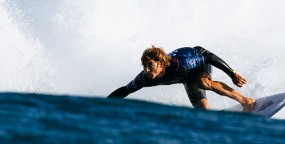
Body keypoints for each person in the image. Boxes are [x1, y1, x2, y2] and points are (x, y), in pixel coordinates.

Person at [108, 45, 255, 111]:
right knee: (203, 111)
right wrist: (103, 106)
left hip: (199, 60)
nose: (146, 70)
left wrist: (232, 74)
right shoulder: (145, 78)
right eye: (144, 66)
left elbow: (209, 57)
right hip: (187, 77)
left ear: (161, 63)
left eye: (150, 65)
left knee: (203, 82)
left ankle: (246, 101)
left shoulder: (180, 63)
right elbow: (125, 90)